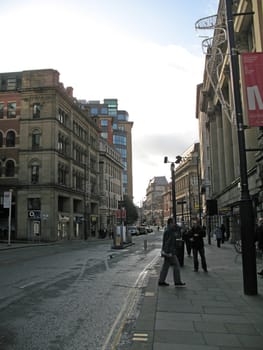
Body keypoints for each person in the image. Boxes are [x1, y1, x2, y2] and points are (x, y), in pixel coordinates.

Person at [158, 218, 186, 287]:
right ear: (170, 223)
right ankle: (177, 281)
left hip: (168, 252)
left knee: (165, 266)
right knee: (176, 265)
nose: (174, 224)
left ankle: (161, 281)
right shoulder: (169, 231)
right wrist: (168, 252)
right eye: (173, 223)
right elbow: (167, 243)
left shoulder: (169, 230)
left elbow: (177, 233)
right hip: (170, 252)